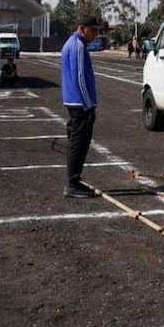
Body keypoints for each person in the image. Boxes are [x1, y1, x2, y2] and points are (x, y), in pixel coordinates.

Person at [60, 15, 102, 198]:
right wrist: (88, 105)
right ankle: (73, 183)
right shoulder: (76, 46)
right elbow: (79, 79)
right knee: (79, 142)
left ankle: (74, 180)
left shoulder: (76, 44)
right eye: (93, 30)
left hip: (76, 102)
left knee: (76, 141)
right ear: (82, 29)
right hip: (80, 104)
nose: (95, 35)